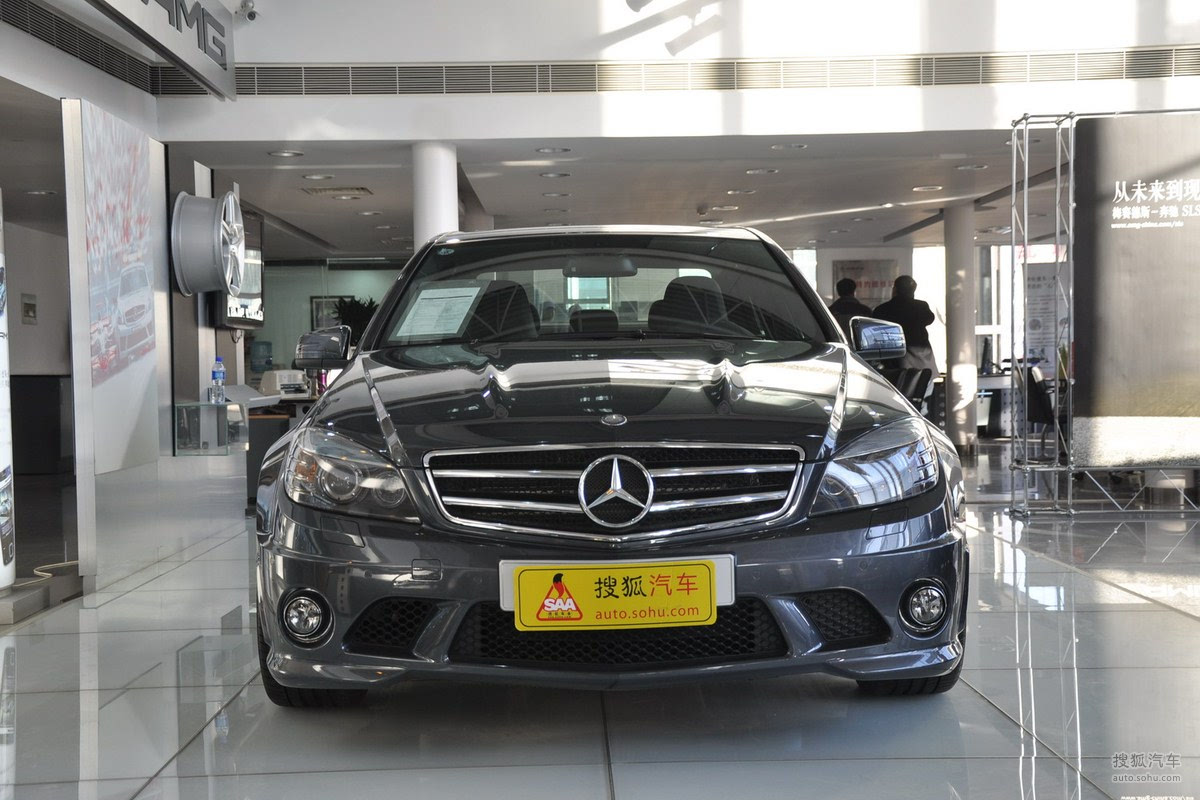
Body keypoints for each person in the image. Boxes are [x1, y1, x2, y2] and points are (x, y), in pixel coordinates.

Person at [872, 275, 938, 374]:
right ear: (913, 291)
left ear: (894, 289)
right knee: (924, 382)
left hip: (892, 362)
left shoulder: (881, 309)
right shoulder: (921, 306)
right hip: (921, 360)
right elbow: (930, 319)